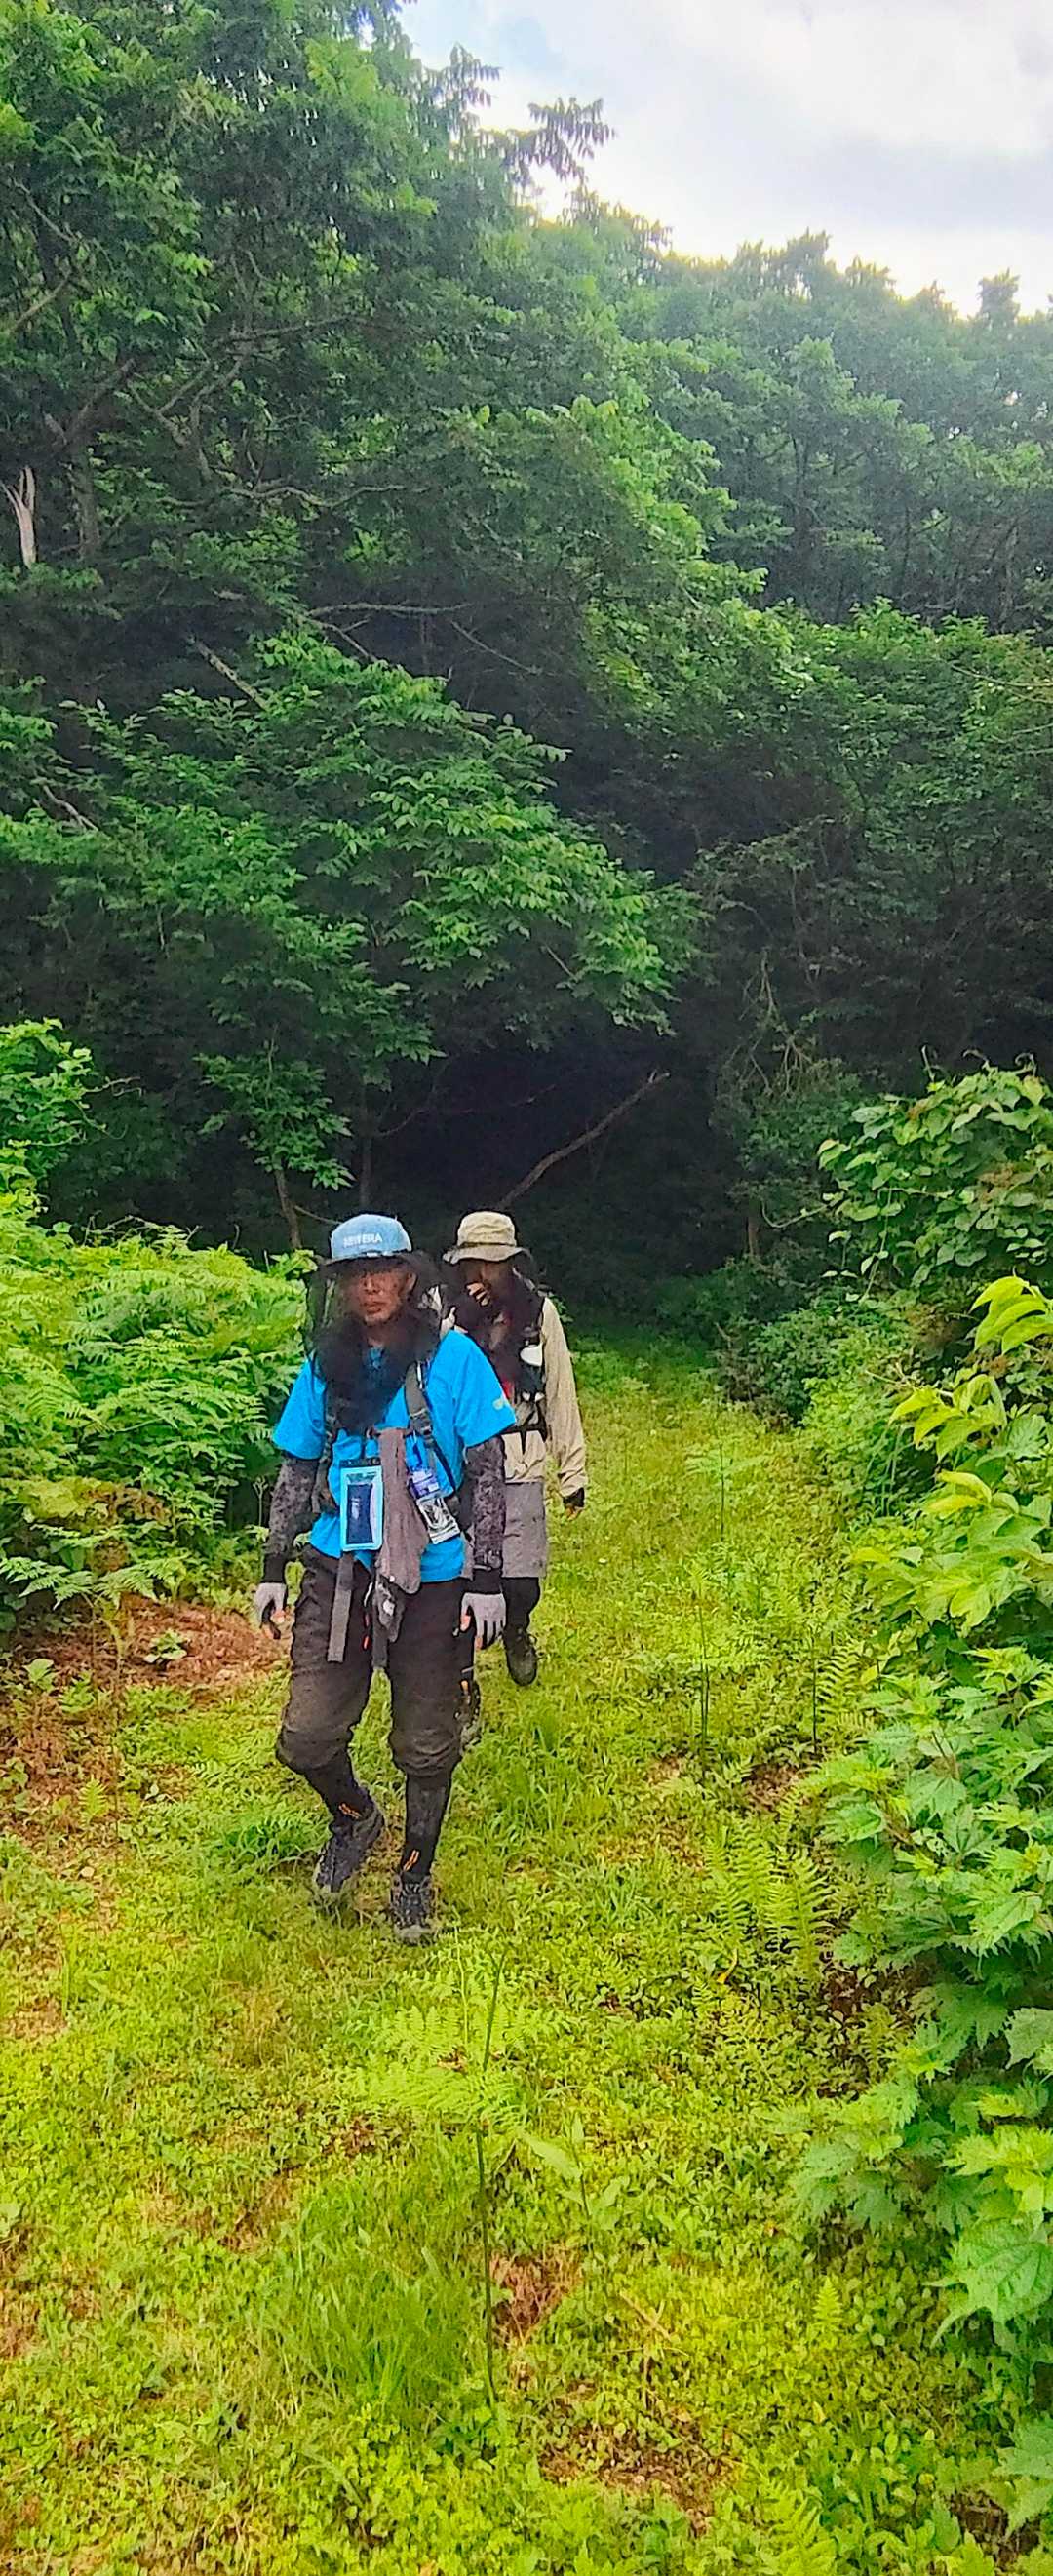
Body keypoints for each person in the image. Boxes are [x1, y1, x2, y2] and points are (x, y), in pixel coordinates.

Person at [253, 1214, 516, 1942]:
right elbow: (297, 1468)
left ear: (406, 1277)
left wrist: (487, 1578)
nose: (369, 1287)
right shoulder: (326, 1366)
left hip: (435, 1574)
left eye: (381, 1272)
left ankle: (414, 1874)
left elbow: (489, 1472)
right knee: (306, 1737)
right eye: (353, 1275)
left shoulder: (453, 1360)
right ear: (339, 1285)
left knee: (427, 1746)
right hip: (340, 1566)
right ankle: (354, 1817)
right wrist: (273, 1566)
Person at [444, 1211, 586, 1687]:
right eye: (474, 1264)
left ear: (510, 1263)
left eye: (493, 1263)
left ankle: (516, 1627)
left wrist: (572, 1473)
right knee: (459, 1578)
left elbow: (560, 1389)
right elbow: (426, 1374)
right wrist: (461, 1324)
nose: (483, 1274)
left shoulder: (538, 1312)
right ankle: (461, 1677)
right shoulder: (443, 1313)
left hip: (520, 1458)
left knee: (522, 1580)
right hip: (460, 1465)